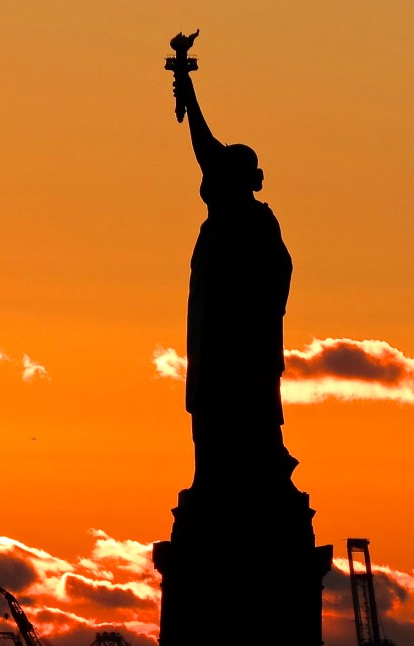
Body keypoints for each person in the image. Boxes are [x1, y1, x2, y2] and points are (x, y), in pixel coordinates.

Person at [172, 70, 298, 492]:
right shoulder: (222, 223)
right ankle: (214, 475)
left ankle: (249, 475)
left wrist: (249, 313)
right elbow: (206, 149)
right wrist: (189, 97)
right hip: (212, 333)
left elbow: (279, 275)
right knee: (210, 403)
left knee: (241, 404)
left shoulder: (255, 222)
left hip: (243, 339)